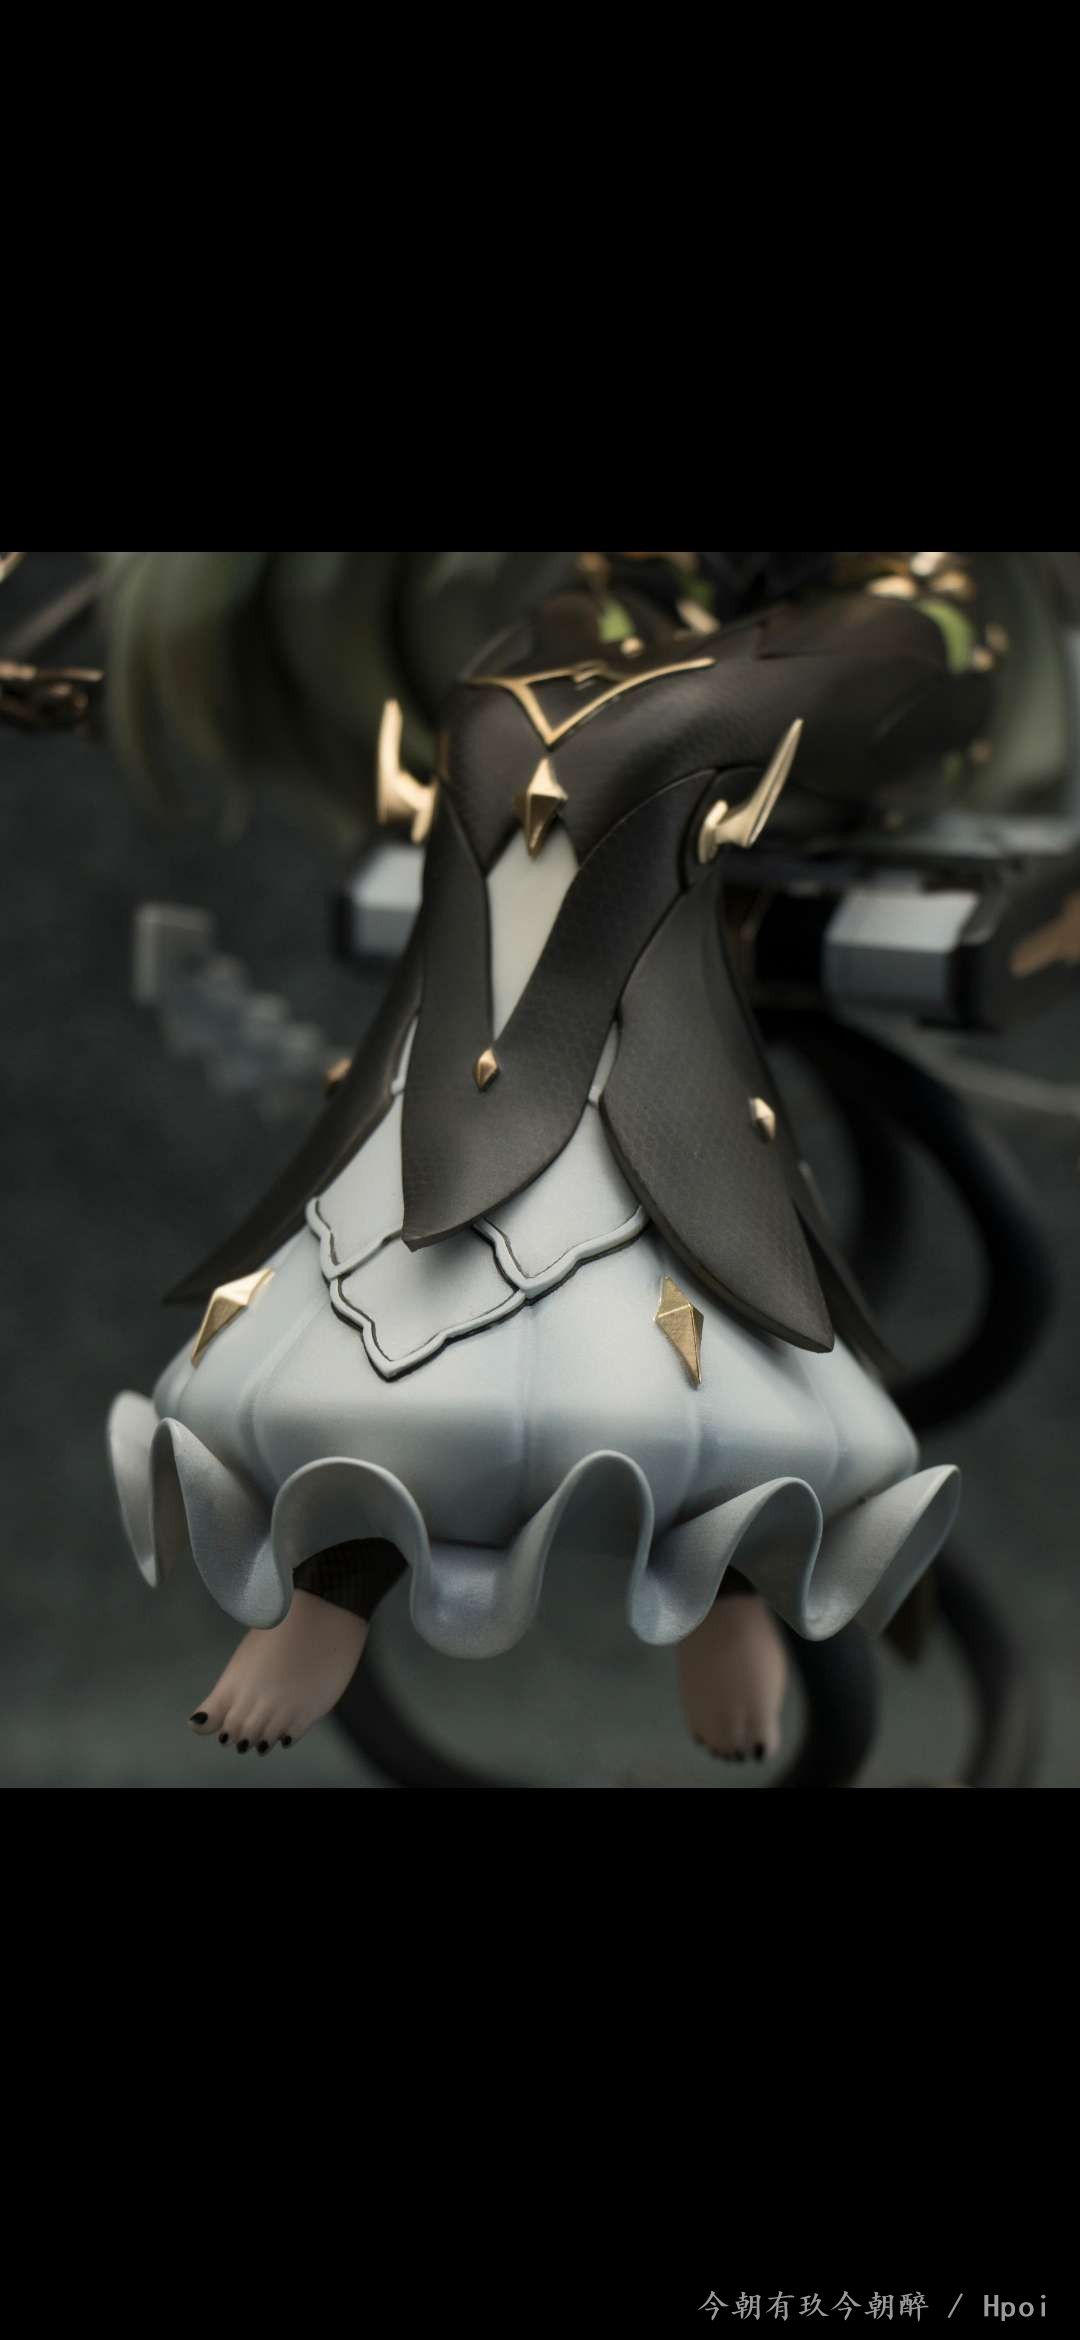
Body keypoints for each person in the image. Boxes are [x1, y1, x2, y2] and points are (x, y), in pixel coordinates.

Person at [106, 551, 995, 1765]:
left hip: (880, 637)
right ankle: (339, 1580)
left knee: (642, 736)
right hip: (654, 635)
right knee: (506, 717)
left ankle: (726, 1581)